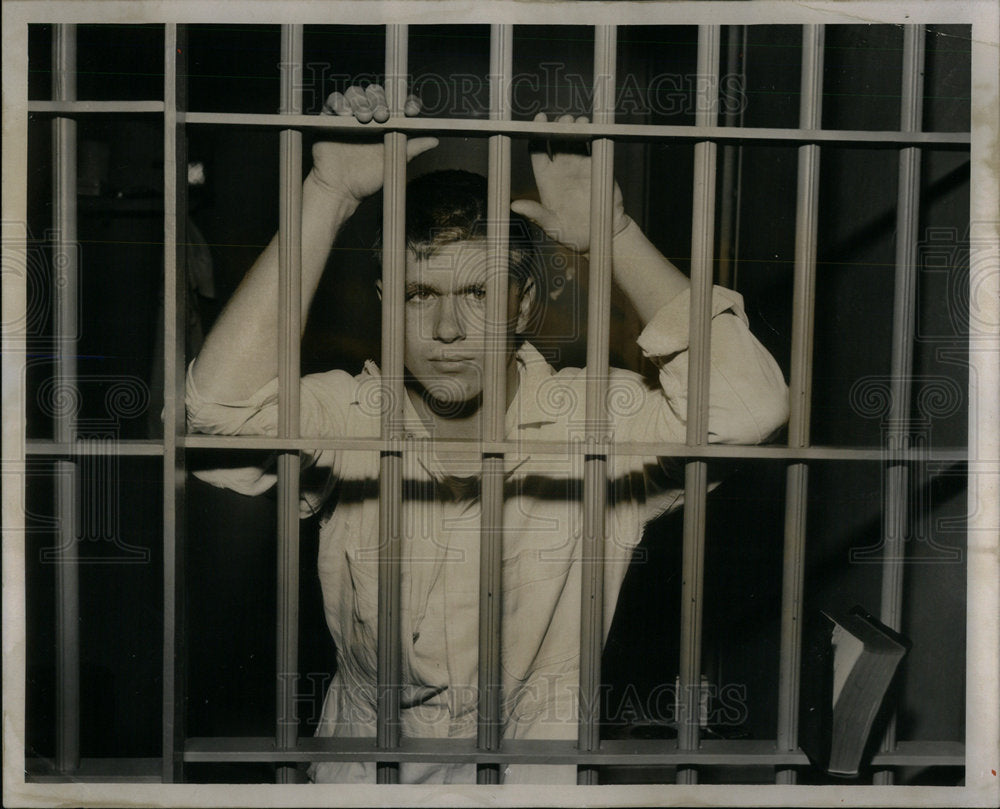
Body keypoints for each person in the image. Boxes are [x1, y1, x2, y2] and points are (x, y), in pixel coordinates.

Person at [186, 85, 789, 784]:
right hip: (359, 780)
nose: (448, 331)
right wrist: (327, 192)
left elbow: (748, 409)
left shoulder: (590, 424)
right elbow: (215, 418)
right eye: (421, 295)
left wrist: (612, 232)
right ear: (388, 303)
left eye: (477, 294)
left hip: (532, 781)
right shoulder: (353, 414)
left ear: (523, 303)